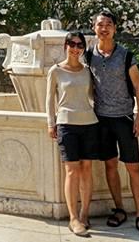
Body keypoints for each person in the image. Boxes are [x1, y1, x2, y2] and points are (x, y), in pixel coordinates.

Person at [87, 10, 139, 238]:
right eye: (100, 24)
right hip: (101, 120)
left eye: (108, 24)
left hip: (124, 119)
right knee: (110, 166)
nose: (104, 28)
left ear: (115, 29)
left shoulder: (125, 55)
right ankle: (119, 209)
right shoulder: (88, 55)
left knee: (133, 167)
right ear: (94, 28)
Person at [46, 31, 99, 237]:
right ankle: (73, 217)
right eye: (72, 44)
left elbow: (94, 97)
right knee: (71, 171)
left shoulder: (88, 71)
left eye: (80, 45)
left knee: (87, 169)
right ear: (65, 46)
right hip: (67, 125)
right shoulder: (56, 71)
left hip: (89, 123)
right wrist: (51, 123)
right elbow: (49, 100)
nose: (76, 48)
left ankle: (85, 214)